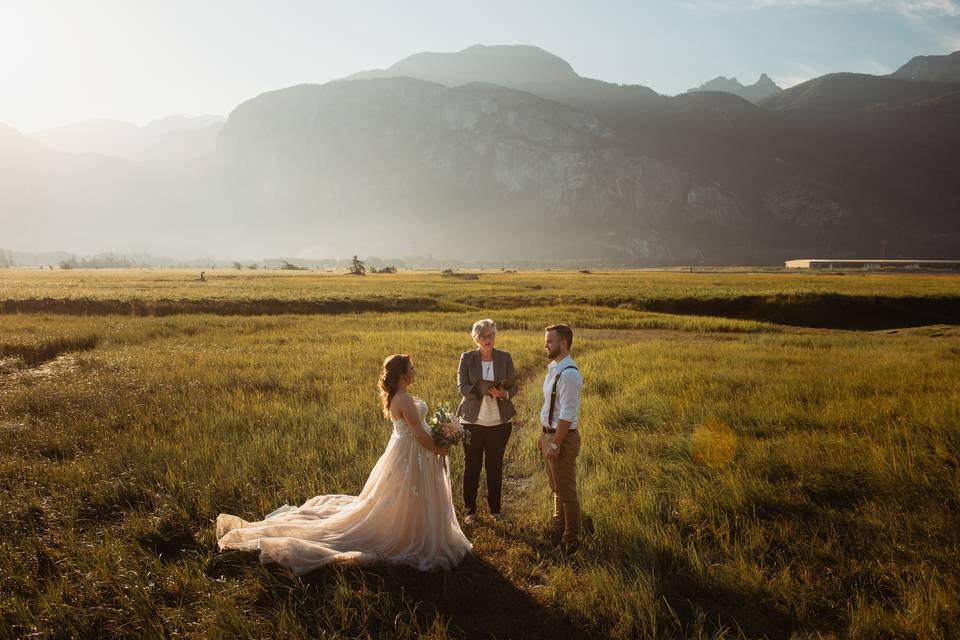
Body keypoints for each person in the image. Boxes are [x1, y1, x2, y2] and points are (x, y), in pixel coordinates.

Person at [216, 354, 472, 573]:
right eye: (412, 368)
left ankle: (412, 526)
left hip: (404, 451)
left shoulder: (400, 396)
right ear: (403, 375)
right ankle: (410, 534)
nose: (415, 371)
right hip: (412, 452)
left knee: (400, 496)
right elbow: (418, 434)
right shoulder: (404, 400)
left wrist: (442, 433)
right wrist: (440, 447)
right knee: (404, 494)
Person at [456, 319, 518, 523]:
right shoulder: (466, 358)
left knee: (495, 466)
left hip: (499, 423)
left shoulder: (505, 358)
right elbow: (462, 387)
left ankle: (495, 511)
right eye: (483, 336)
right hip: (472, 422)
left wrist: (504, 393)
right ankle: (470, 512)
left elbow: (514, 386)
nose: (487, 339)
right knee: (472, 466)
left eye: (490, 334)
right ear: (475, 338)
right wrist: (479, 390)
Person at [538, 323, 584, 552]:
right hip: (550, 435)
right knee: (556, 487)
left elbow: (567, 414)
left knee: (567, 491)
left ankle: (570, 541)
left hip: (562, 439)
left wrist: (555, 441)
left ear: (563, 343)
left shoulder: (569, 374)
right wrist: (544, 436)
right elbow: (551, 407)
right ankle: (559, 525)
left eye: (549, 341)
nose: (545, 345)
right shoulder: (555, 369)